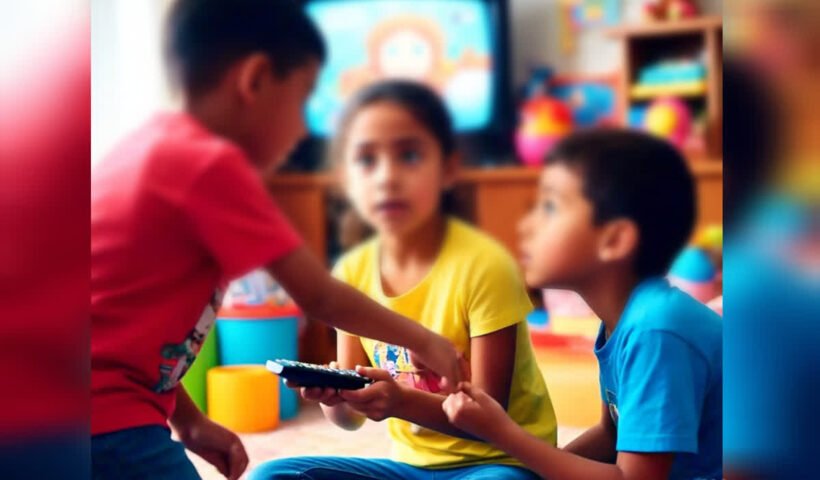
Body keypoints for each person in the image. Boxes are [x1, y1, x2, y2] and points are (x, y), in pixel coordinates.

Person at [91, 2, 464, 479]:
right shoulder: (210, 165)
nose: (304, 127)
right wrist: (424, 339)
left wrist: (189, 421)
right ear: (256, 80)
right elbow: (320, 296)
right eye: (303, 98)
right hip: (104, 418)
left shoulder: (145, 149)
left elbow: (119, 333)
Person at [250, 80, 556, 480]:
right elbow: (349, 421)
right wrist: (334, 399)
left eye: (409, 156)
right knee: (271, 475)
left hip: (498, 465)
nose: (387, 178)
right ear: (344, 179)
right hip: (409, 470)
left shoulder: (486, 266)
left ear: (448, 168)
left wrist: (399, 402)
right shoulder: (351, 274)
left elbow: (486, 418)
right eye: (366, 160)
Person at [442, 129, 723, 480]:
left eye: (549, 207)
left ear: (615, 240)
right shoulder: (625, 320)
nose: (525, 226)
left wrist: (503, 433)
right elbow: (610, 435)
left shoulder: (656, 330)